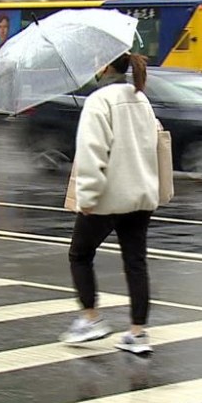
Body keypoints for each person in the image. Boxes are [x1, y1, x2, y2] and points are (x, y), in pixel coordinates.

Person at [60, 53, 160, 354]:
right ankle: (138, 333)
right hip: (142, 194)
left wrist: (87, 197)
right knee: (135, 262)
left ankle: (90, 319)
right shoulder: (140, 97)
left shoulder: (99, 101)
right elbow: (153, 139)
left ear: (105, 67)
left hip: (109, 197)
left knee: (79, 254)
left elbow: (93, 153)